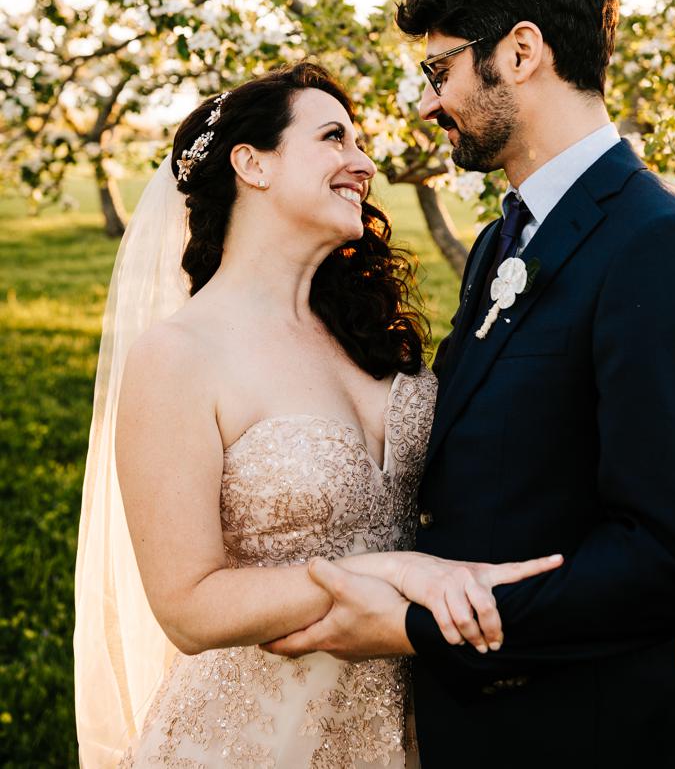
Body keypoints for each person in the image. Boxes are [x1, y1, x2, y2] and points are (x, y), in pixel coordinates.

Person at [261, 0, 675, 765]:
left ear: (521, 52)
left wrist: (421, 625)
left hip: (594, 735)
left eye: (439, 70)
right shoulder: (499, 243)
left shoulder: (665, 245)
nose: (424, 103)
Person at [74, 62, 563, 768]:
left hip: (416, 726)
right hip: (254, 739)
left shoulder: (373, 333)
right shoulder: (178, 356)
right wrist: (391, 571)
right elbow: (186, 605)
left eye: (360, 143)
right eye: (335, 137)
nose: (363, 164)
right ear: (252, 163)